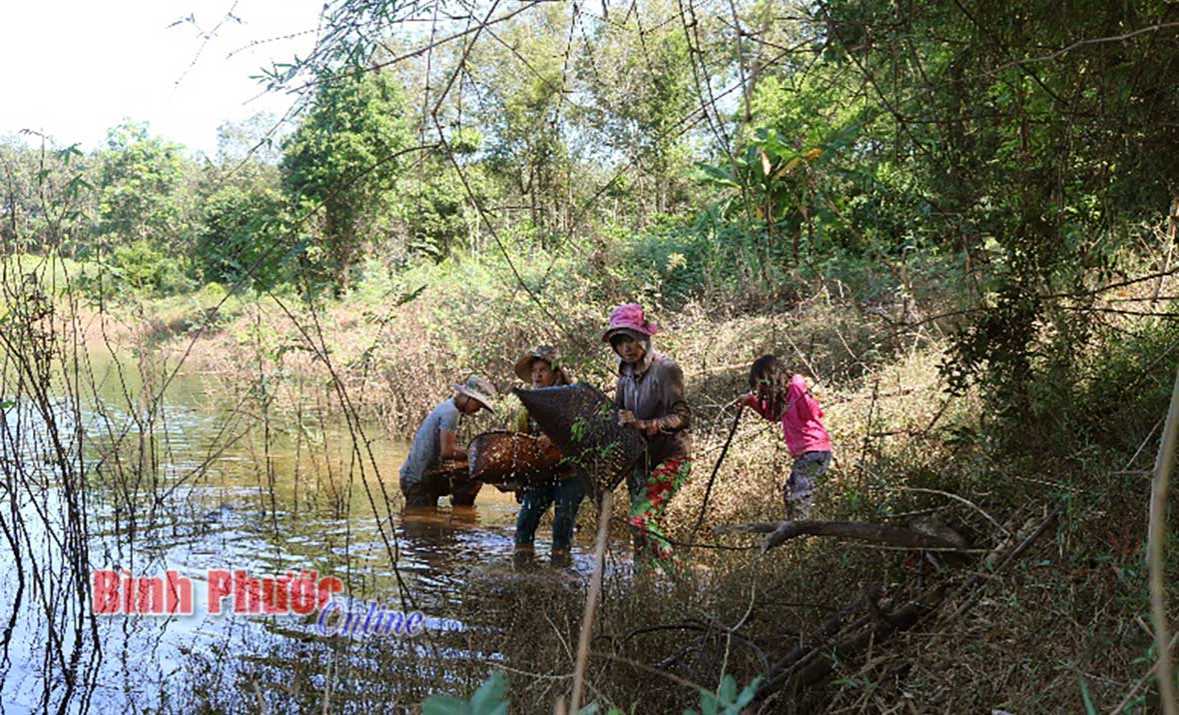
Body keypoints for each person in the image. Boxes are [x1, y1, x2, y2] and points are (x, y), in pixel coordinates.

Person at [603, 303, 692, 572]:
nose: (626, 348)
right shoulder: (624, 375)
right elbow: (617, 415)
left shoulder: (665, 369)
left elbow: (683, 416)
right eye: (620, 342)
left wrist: (645, 424)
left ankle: (683, 579)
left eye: (630, 339)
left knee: (641, 519)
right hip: (638, 458)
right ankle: (644, 588)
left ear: (644, 337)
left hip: (671, 456)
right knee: (638, 533)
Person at [508, 346, 584, 568]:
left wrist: (555, 437)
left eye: (543, 370)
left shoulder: (571, 399)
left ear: (555, 374)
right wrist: (519, 481)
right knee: (525, 522)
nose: (537, 375)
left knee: (563, 523)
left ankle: (560, 573)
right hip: (540, 473)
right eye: (534, 371)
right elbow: (520, 443)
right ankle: (522, 571)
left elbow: (583, 433)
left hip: (570, 473)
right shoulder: (526, 404)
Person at [744, 355, 833, 520]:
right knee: (791, 490)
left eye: (763, 384)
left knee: (800, 489)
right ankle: (795, 526)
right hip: (806, 454)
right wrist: (752, 402)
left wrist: (800, 387)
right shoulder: (784, 396)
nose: (763, 390)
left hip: (816, 451)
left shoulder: (795, 387)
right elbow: (772, 415)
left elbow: (811, 412)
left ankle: (800, 527)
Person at [399, 375, 497, 508]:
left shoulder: (448, 407)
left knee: (470, 476)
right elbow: (447, 452)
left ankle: (460, 517)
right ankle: (461, 519)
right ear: (468, 398)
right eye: (478, 405)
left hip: (419, 475)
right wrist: (477, 455)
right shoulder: (451, 413)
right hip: (418, 481)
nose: (477, 410)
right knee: (420, 524)